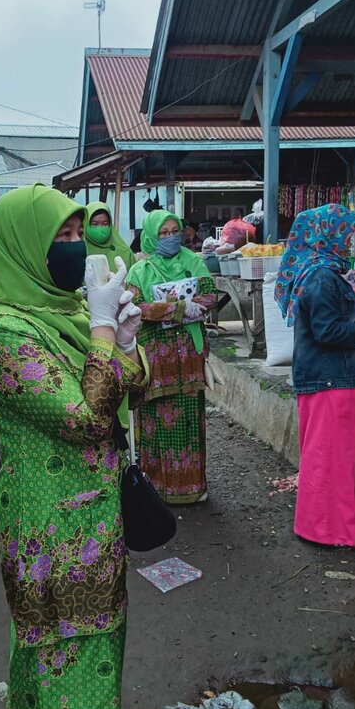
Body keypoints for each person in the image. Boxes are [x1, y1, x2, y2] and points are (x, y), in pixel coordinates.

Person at [0, 184, 147, 709]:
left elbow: (133, 384)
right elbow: (87, 418)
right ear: (23, 248)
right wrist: (101, 332)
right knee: (57, 657)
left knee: (95, 652)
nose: (74, 249)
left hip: (96, 519)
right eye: (60, 239)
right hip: (49, 530)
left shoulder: (67, 314)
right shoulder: (5, 335)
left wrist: (122, 341)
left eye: (77, 236)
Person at [275, 204, 355, 546]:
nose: (348, 241)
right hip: (329, 379)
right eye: (344, 233)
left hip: (334, 377)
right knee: (329, 457)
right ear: (325, 235)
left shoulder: (325, 272)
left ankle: (336, 526)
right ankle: (325, 529)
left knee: (336, 456)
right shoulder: (320, 277)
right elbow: (327, 331)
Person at [126, 210, 217, 505]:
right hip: (156, 358)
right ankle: (157, 489)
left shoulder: (194, 262)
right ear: (152, 235)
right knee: (155, 420)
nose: (170, 237)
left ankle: (192, 487)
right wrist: (178, 309)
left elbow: (210, 296)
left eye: (174, 231)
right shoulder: (140, 271)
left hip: (189, 356)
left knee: (190, 419)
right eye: (163, 233)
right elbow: (135, 307)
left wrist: (197, 306)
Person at [84, 202, 136, 273]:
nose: (100, 228)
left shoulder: (124, 252)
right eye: (94, 224)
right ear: (85, 224)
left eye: (105, 224)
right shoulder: (78, 252)